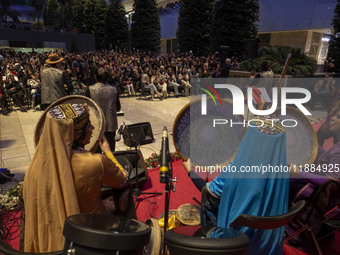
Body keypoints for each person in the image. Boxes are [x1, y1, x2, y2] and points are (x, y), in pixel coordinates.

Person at [21, 103, 129, 253]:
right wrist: (108, 153)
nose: (92, 128)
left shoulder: (36, 165)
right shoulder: (95, 161)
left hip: (47, 237)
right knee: (126, 193)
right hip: (89, 230)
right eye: (88, 125)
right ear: (75, 133)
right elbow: (122, 180)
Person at [183, 117, 289, 255]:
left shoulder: (236, 169)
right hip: (269, 246)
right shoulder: (283, 172)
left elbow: (208, 191)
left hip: (237, 245)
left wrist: (190, 171)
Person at [89, 68, 119, 151]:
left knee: (97, 149)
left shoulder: (90, 89)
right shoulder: (114, 89)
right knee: (110, 149)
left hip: (96, 123)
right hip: (110, 123)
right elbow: (118, 107)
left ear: (96, 77)